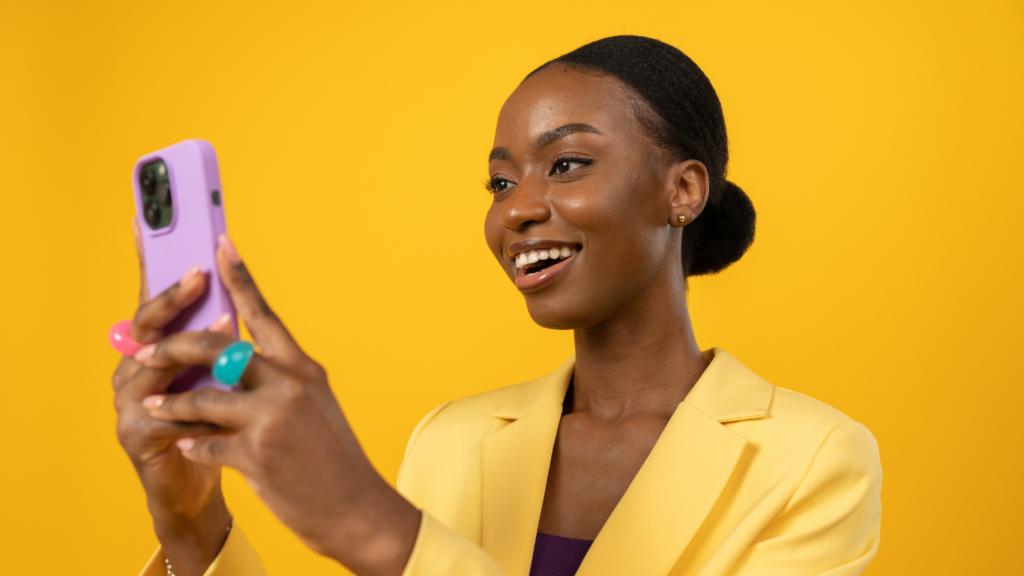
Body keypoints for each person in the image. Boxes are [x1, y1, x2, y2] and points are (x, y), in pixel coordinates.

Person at [113, 36, 882, 576]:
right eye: (502, 182)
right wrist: (191, 522)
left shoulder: (812, 460)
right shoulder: (451, 440)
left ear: (682, 191)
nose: (516, 211)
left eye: (568, 164)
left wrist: (374, 529)